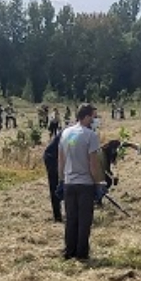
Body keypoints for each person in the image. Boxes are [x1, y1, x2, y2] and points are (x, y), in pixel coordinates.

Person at [57, 104, 105, 261]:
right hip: (85, 184)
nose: (95, 120)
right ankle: (81, 253)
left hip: (69, 183)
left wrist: (61, 180)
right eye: (93, 116)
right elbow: (93, 163)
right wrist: (99, 183)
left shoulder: (66, 133)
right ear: (86, 116)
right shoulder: (90, 136)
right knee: (84, 220)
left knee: (71, 219)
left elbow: (61, 160)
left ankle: (69, 250)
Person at [43, 129, 63, 222]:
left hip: (60, 158)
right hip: (52, 158)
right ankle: (57, 216)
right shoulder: (71, 134)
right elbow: (70, 147)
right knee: (55, 186)